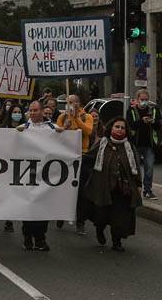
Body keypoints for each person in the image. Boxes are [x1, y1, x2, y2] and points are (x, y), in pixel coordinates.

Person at [86, 118, 141, 251]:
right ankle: (100, 230)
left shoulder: (129, 147)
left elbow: (136, 166)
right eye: (117, 127)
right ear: (111, 128)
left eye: (122, 128)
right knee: (101, 215)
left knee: (120, 217)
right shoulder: (102, 144)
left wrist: (138, 184)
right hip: (103, 187)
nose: (119, 130)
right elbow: (88, 159)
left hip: (122, 189)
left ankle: (117, 242)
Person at [16, 101, 55, 250]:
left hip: (45, 176)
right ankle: (27, 237)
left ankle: (40, 239)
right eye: (30, 110)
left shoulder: (52, 128)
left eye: (35, 110)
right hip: (27, 175)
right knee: (29, 208)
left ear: (42, 111)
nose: (32, 113)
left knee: (43, 209)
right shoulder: (22, 129)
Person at [56, 94, 93, 234]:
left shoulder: (86, 117)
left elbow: (88, 131)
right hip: (65, 157)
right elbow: (57, 134)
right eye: (68, 102)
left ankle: (80, 221)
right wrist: (64, 127)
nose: (69, 104)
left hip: (81, 156)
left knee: (81, 191)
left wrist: (76, 118)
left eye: (72, 102)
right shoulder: (62, 117)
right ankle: (61, 214)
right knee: (63, 187)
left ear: (79, 103)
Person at [127, 89, 162, 200]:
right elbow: (130, 125)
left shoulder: (154, 110)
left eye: (146, 100)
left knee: (149, 168)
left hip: (149, 144)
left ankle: (148, 190)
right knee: (136, 169)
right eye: (142, 100)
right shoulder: (132, 111)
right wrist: (142, 121)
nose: (144, 102)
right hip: (136, 144)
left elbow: (159, 124)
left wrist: (153, 121)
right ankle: (136, 189)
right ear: (137, 100)